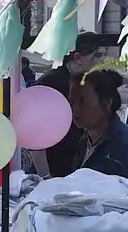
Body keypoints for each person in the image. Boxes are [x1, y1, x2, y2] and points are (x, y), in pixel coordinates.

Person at [36, 32, 105, 178]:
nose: (103, 61)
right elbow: (36, 132)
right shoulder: (53, 82)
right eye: (97, 56)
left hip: (78, 162)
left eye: (103, 55)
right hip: (55, 164)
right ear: (78, 57)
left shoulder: (85, 81)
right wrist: (45, 175)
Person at [70, 69, 128, 181]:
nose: (75, 109)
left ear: (107, 102)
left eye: (82, 101)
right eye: (71, 102)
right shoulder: (85, 140)